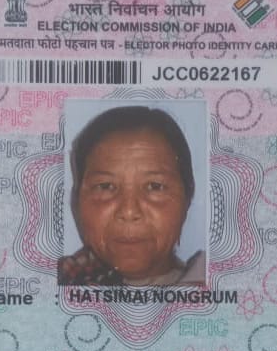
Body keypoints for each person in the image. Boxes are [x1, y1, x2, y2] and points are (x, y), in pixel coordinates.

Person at [57, 105, 206, 286]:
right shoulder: (54, 282)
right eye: (105, 186)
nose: (129, 211)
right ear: (77, 201)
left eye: (155, 186)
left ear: (187, 199)